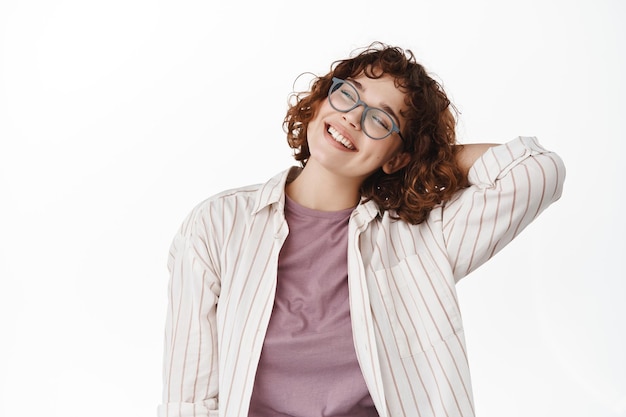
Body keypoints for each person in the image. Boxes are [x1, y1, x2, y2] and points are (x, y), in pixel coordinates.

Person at [157, 42, 565, 417]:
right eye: (348, 94)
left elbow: (536, 171)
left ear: (396, 157)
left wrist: (429, 160)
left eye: (381, 120)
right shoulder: (218, 225)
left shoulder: (417, 240)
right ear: (319, 102)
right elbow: (188, 399)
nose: (353, 117)